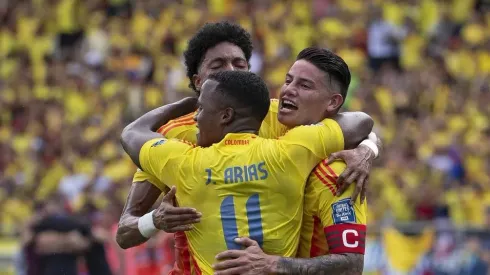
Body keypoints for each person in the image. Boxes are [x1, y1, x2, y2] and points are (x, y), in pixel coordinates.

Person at [116, 22, 378, 274]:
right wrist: (155, 220)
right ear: (199, 82)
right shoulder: (176, 133)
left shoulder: (280, 115)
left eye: (239, 64)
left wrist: (367, 147)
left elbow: (353, 122)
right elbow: (125, 232)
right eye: (218, 66)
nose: (232, 71)